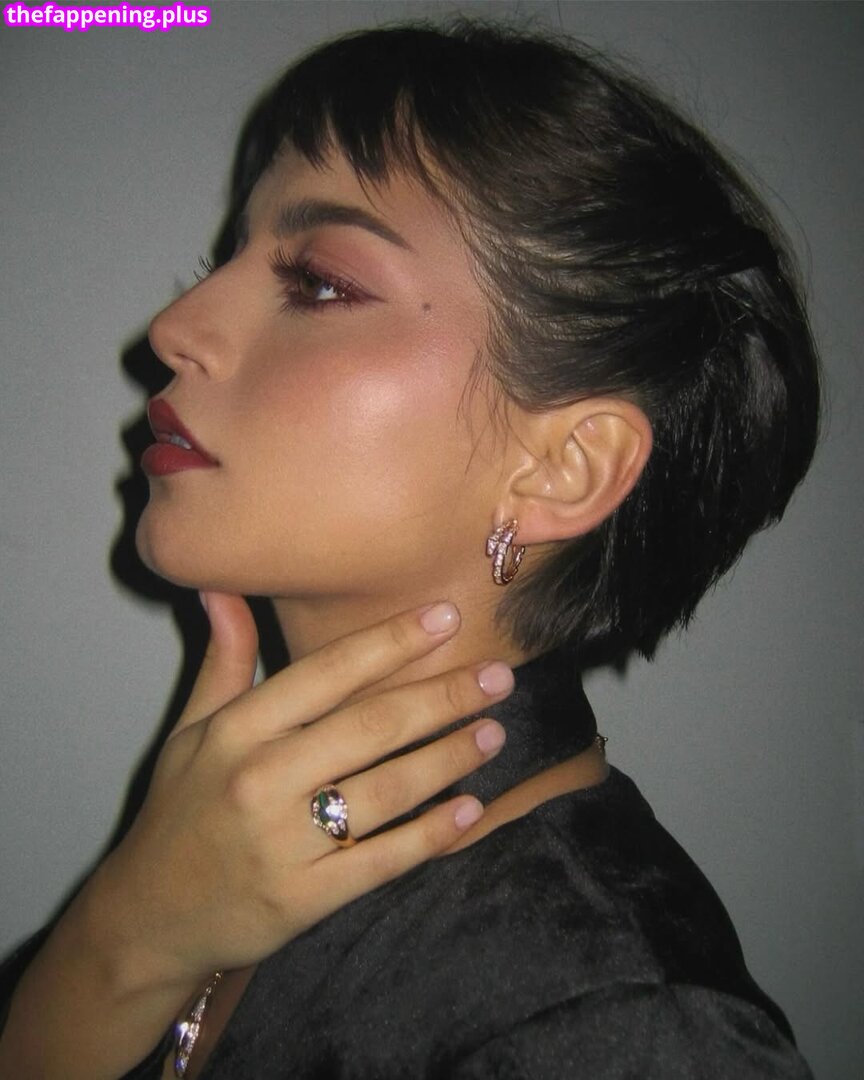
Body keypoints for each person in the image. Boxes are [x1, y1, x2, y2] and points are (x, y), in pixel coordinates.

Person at [0, 20, 819, 1079]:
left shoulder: (618, 1022)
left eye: (318, 282)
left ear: (563, 467)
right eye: (224, 259)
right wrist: (121, 941)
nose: (175, 326)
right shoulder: (203, 854)